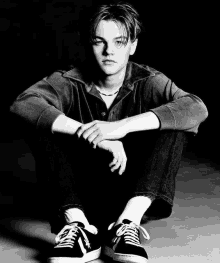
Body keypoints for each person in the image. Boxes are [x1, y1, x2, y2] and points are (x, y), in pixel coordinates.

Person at [10, 2, 208, 263]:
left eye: (119, 41)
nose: (108, 51)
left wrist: (121, 127)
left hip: (131, 192)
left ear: (133, 45)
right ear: (88, 44)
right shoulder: (70, 80)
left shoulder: (148, 80)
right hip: (79, 193)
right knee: (44, 123)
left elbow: (195, 107)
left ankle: (126, 226)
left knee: (174, 125)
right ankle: (79, 228)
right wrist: (91, 133)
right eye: (99, 41)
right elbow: (23, 104)